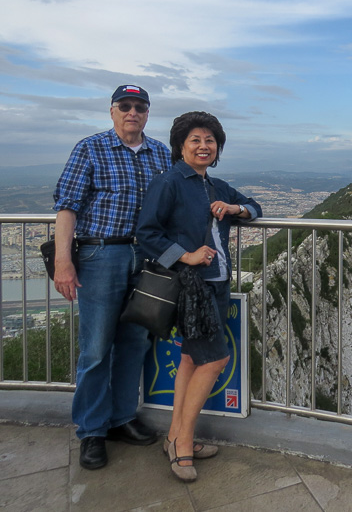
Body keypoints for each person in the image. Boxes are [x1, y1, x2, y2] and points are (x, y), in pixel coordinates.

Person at [136, 111, 262, 482]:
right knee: (215, 360)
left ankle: (174, 436)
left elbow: (255, 206)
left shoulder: (216, 186)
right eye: (196, 140)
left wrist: (236, 209)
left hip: (217, 284)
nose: (204, 146)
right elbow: (147, 232)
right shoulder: (170, 182)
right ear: (181, 146)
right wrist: (185, 255)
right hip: (192, 289)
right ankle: (183, 442)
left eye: (210, 141)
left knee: (192, 359)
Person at [53, 85, 172, 469]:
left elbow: (175, 201)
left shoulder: (160, 153)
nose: (132, 112)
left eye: (139, 107)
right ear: (112, 111)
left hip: (146, 256)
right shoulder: (90, 148)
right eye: (125, 106)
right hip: (100, 253)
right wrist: (63, 261)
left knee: (134, 340)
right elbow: (68, 205)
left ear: (148, 113)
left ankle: (121, 418)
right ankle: (91, 430)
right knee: (96, 347)